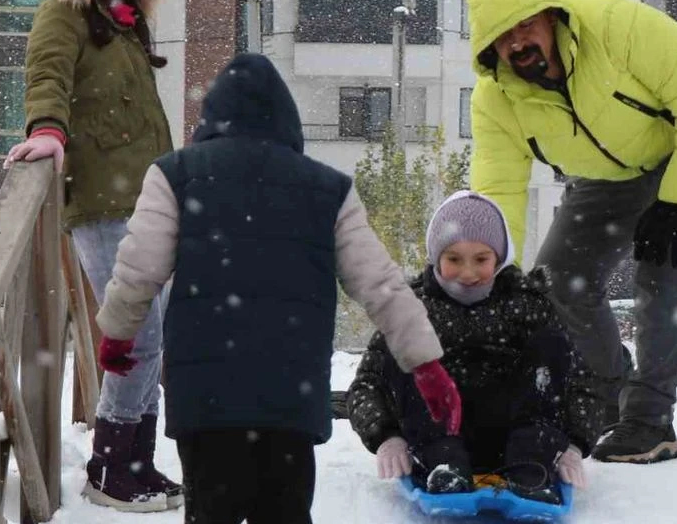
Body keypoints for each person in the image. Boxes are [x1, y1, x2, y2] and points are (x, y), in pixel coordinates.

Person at [92, 53, 461, 524]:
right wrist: (426, 364)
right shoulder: (328, 189)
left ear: (211, 116)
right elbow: (381, 284)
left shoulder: (175, 175)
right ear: (287, 118)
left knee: (211, 513)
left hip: (207, 399)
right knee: (284, 511)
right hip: (290, 399)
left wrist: (118, 333)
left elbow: (137, 268)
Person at [464, 0, 677, 463]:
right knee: (557, 278)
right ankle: (609, 396)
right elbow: (499, 190)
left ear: (551, 16)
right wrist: (490, 271)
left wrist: (676, 202)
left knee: (660, 258)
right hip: (612, 173)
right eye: (502, 37)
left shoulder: (618, 26)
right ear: (489, 49)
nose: (518, 42)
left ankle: (650, 421)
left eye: (525, 25)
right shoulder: (496, 101)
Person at [2, 0, 179, 512]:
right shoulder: (63, 14)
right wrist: (48, 130)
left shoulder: (123, 23)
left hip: (146, 201)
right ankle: (110, 466)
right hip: (102, 202)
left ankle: (138, 461)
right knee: (135, 336)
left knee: (151, 334)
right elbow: (47, 76)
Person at [346, 191, 603, 505]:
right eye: (454, 259)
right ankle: (444, 465)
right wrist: (386, 436)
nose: (467, 273)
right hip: (436, 435)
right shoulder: (413, 307)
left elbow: (581, 380)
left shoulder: (528, 304)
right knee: (404, 346)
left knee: (550, 343)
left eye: (481, 259)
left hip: (518, 437)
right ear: (436, 257)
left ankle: (531, 464)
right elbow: (367, 384)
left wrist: (575, 444)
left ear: (499, 258)